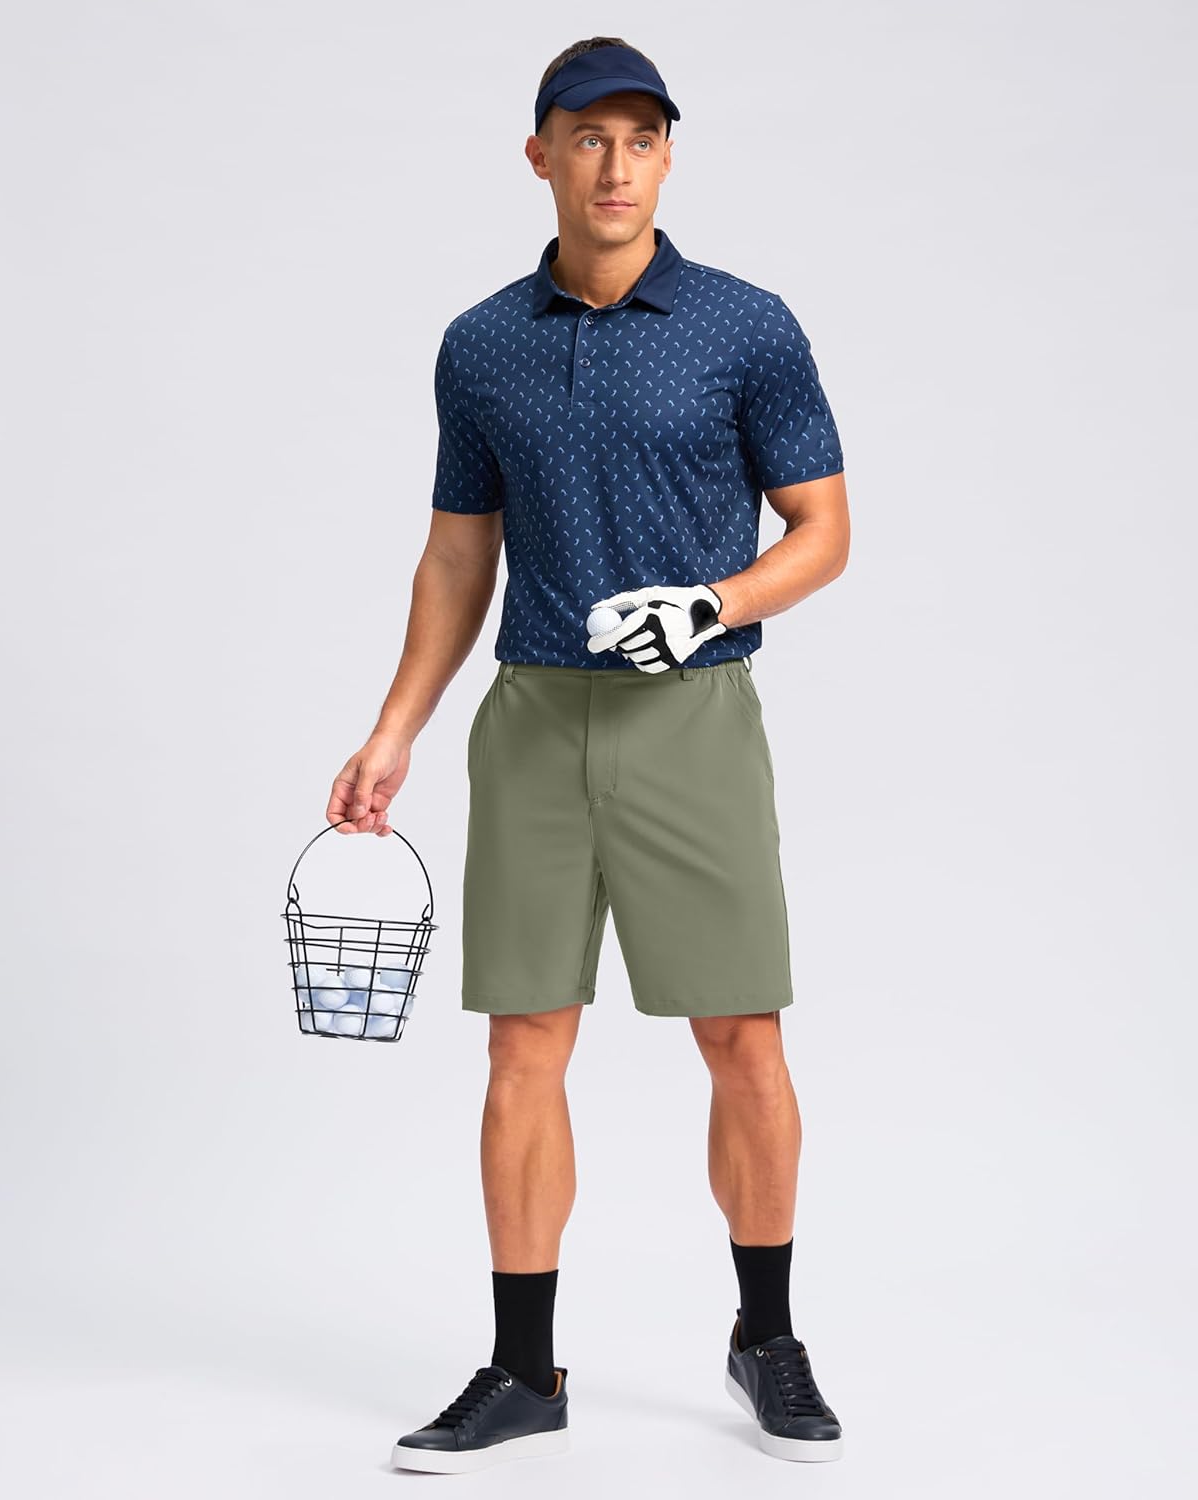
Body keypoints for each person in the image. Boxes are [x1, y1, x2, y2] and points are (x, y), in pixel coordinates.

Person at [326, 37, 851, 1474]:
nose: (617, 165)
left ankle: (766, 1338)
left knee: (743, 1038)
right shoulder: (480, 343)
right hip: (535, 723)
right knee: (522, 1049)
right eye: (589, 137)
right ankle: (523, 1368)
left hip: (696, 720)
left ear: (668, 156)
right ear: (541, 154)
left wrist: (712, 605)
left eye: (642, 138)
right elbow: (458, 554)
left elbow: (823, 531)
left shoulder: (746, 326)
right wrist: (394, 728)